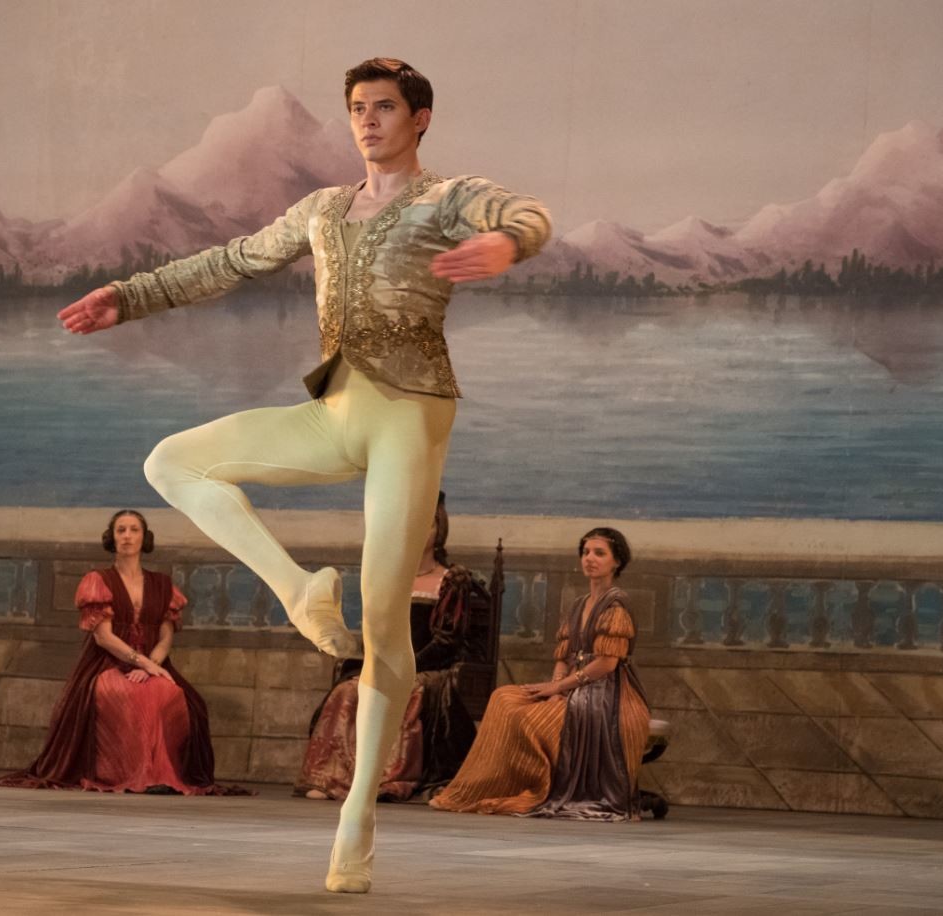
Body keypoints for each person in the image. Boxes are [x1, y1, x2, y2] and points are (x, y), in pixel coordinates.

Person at [58, 58, 550, 892]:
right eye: (356, 108)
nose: (367, 121)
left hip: (409, 414)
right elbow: (232, 260)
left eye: (383, 107)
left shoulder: (445, 198)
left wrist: (508, 241)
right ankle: (296, 589)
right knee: (171, 461)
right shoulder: (322, 209)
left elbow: (526, 213)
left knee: (384, 622)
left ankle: (357, 815)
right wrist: (131, 297)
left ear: (420, 118)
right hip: (335, 411)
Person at [0, 510, 236, 795]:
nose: (127, 536)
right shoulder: (98, 580)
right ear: (112, 538)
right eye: (121, 530)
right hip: (107, 663)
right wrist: (141, 663)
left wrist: (152, 666)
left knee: (171, 694)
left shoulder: (162, 584)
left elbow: (166, 636)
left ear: (144, 537)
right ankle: (136, 775)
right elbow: (103, 637)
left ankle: (165, 775)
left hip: (153, 663)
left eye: (134, 530)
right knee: (134, 695)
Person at [430, 527, 650, 821]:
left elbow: (606, 665)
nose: (590, 558)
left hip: (605, 693)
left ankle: (538, 787)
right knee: (503, 698)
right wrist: (555, 688)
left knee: (531, 720)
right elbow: (563, 657)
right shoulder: (578, 605)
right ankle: (480, 789)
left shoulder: (616, 606)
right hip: (571, 685)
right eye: (586, 552)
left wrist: (559, 689)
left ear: (617, 562)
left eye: (599, 553)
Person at [295, 491, 484, 801]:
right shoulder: (391, 577)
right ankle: (332, 779)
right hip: (384, 665)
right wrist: (376, 665)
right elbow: (378, 632)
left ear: (439, 530)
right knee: (348, 692)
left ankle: (387, 780)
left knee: (407, 693)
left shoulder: (450, 580)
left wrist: (404, 668)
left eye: (427, 524)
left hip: (428, 668)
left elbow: (447, 641)